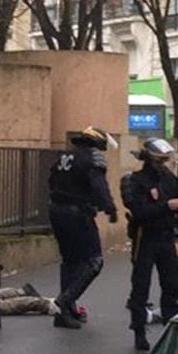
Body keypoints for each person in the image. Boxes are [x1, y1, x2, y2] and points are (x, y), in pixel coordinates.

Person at [48, 126, 118, 329]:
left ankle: (65, 313)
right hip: (78, 215)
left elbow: (51, 181)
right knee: (93, 262)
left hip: (57, 212)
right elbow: (98, 186)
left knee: (70, 262)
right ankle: (64, 301)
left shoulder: (65, 156)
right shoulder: (92, 157)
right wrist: (109, 208)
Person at [121, 137, 178, 351]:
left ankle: (170, 328)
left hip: (167, 236)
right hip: (145, 237)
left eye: (164, 160)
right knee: (141, 286)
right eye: (158, 159)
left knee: (172, 285)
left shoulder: (170, 178)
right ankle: (139, 330)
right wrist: (167, 206)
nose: (162, 163)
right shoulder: (135, 180)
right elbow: (139, 212)